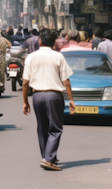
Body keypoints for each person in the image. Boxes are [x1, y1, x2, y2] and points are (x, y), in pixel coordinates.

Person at [22, 29, 75, 171]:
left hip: (37, 96)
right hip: (54, 96)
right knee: (55, 129)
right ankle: (49, 158)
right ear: (54, 42)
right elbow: (66, 81)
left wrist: (25, 102)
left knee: (42, 127)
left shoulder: (31, 57)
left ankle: (47, 156)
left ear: (40, 41)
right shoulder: (58, 57)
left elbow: (25, 82)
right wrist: (71, 100)